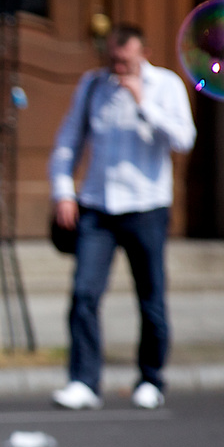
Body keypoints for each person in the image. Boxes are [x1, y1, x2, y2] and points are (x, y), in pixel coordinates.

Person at [49, 22, 196, 411]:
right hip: (98, 205)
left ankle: (151, 378)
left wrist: (142, 103)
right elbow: (68, 141)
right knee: (84, 294)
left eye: (125, 60)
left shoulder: (165, 85)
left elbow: (184, 139)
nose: (118, 67)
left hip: (147, 206)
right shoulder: (93, 85)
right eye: (113, 60)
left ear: (142, 53)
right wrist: (64, 192)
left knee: (150, 298)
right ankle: (83, 381)